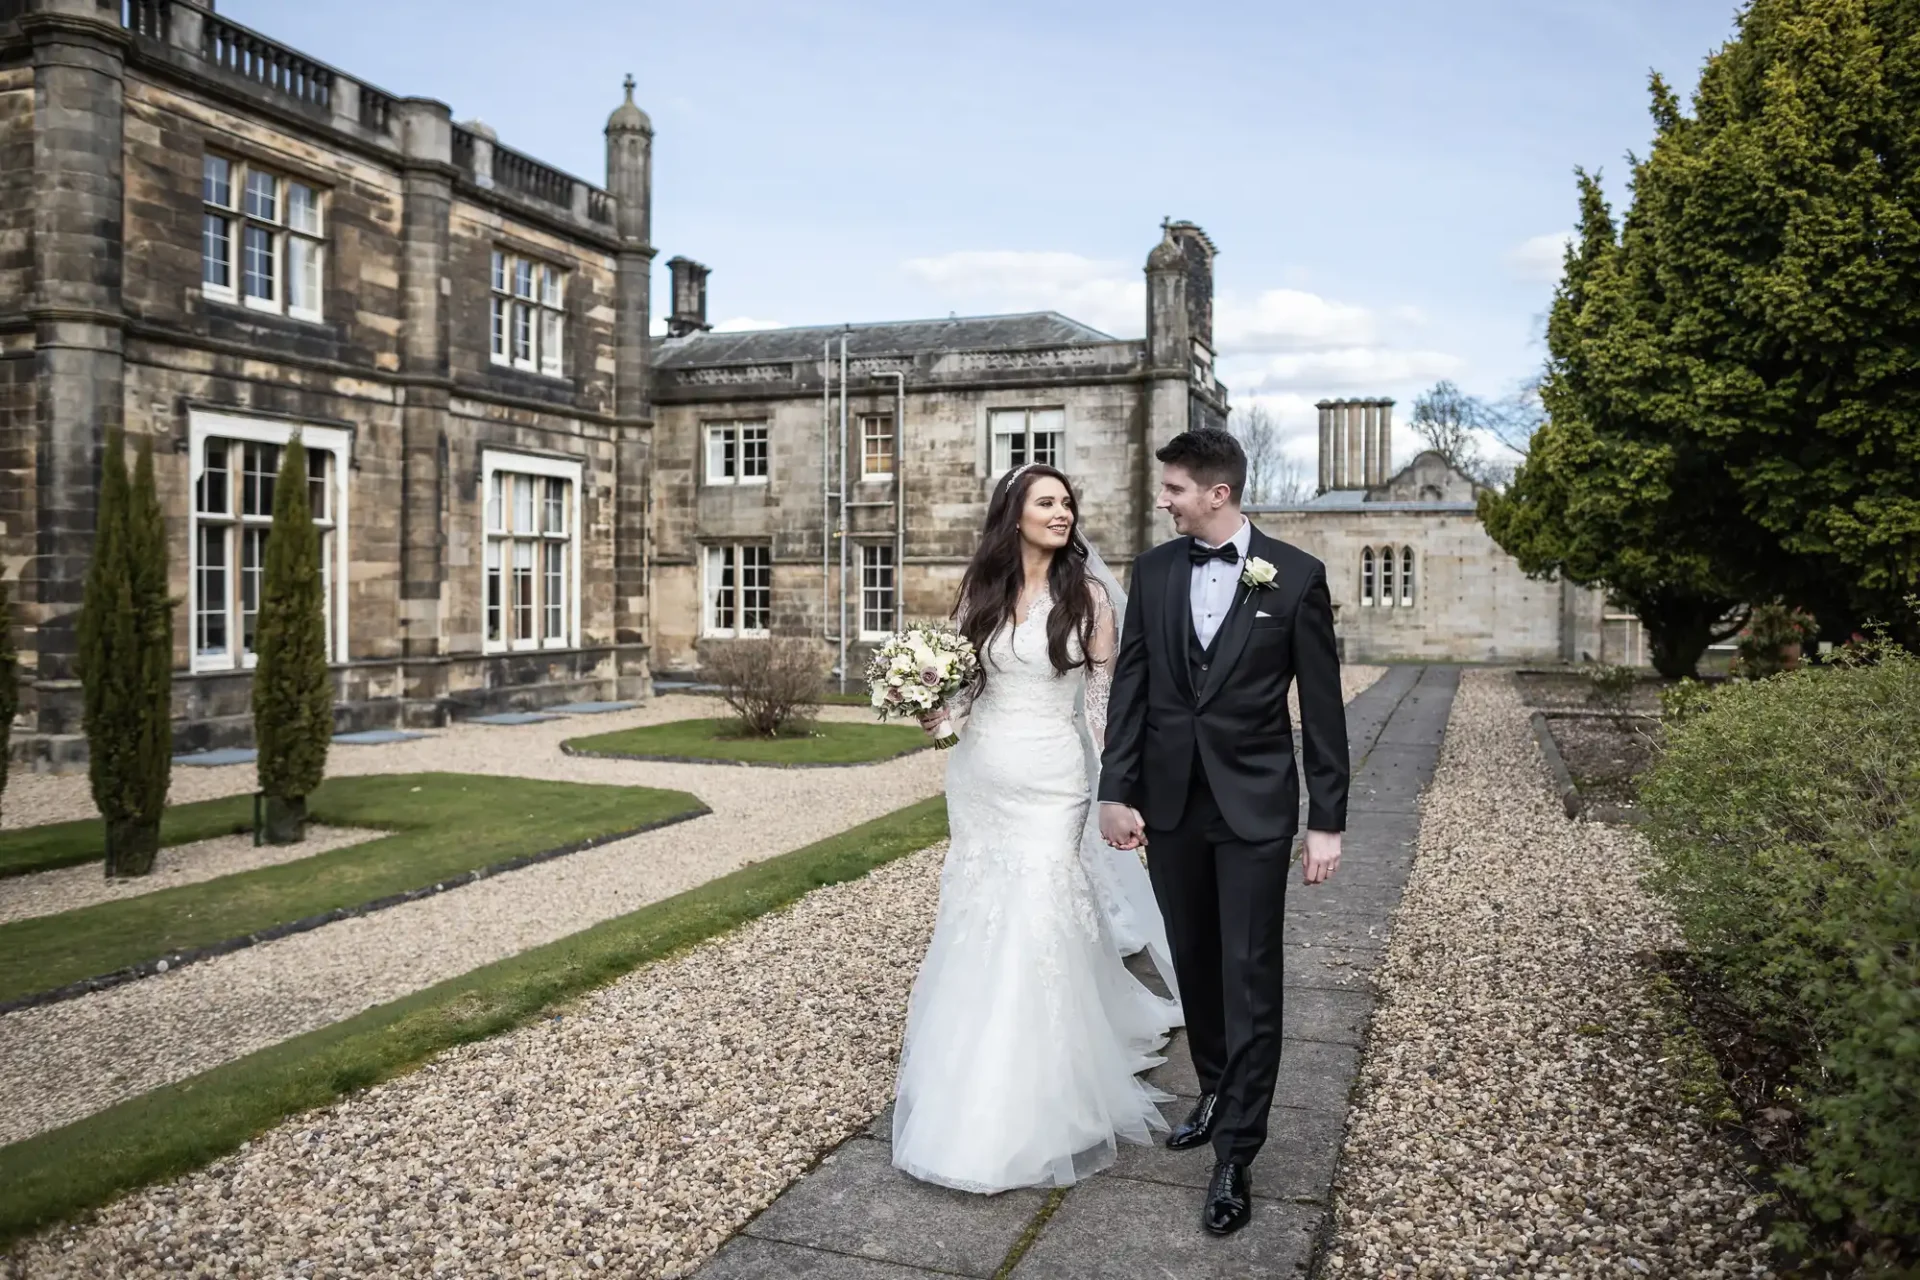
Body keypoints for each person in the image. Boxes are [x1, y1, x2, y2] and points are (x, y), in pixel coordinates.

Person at [890, 463, 1182, 1194]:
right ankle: (970, 1066)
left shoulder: (1087, 598)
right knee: (978, 913)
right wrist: (939, 715)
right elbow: (968, 689)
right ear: (1013, 513)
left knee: (1039, 916)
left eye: (1067, 503)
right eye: (1046, 502)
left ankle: (1040, 1091)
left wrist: (1121, 789)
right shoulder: (980, 592)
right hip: (981, 780)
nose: (1062, 513)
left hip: (1054, 783)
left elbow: (1102, 708)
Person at [1098, 427, 1350, 1237]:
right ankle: (1214, 1088)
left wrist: (1327, 822)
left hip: (1254, 809)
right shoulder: (1157, 570)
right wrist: (1116, 792)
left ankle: (1237, 1151)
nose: (1162, 500)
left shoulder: (1298, 576)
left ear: (1217, 493)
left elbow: (1323, 709)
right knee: (1194, 962)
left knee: (1249, 972)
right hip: (1170, 806)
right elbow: (1132, 687)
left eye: (1173, 488)